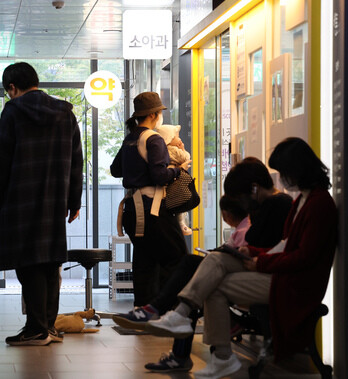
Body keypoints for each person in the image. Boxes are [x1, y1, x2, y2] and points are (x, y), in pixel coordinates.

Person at [145, 139, 337, 378]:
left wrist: (260, 260)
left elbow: (303, 257)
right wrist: (255, 254)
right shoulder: (302, 200)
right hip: (282, 276)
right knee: (215, 266)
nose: (283, 178)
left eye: (285, 172)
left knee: (212, 277)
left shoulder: (318, 204)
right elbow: (286, 248)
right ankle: (194, 327)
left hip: (293, 284)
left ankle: (198, 331)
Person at [113, 157, 292, 373]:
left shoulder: (277, 204)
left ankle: (166, 319)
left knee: (195, 271)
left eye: (240, 197)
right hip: (254, 264)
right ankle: (170, 318)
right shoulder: (269, 205)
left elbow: (258, 240)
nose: (241, 205)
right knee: (193, 267)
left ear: (253, 189)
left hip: (261, 267)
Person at [0, 62, 83, 346]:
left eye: (8, 91)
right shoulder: (66, 113)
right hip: (54, 201)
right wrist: (74, 201)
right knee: (51, 262)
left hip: (20, 200)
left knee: (28, 263)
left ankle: (37, 328)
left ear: (12, 88)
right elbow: (77, 161)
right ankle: (47, 327)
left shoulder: (12, 113)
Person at [110, 92, 190, 307]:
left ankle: (143, 309)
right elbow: (160, 175)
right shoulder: (153, 139)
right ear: (155, 115)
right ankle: (169, 309)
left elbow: (115, 170)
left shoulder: (131, 138)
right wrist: (177, 170)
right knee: (177, 257)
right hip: (152, 209)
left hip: (132, 211)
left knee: (145, 261)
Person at [155, 124, 193, 235]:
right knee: (180, 202)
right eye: (176, 136)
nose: (179, 138)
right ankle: (181, 225)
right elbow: (185, 158)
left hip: (170, 182)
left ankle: (181, 224)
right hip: (173, 181)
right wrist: (183, 149)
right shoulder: (171, 150)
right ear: (169, 139)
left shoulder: (164, 150)